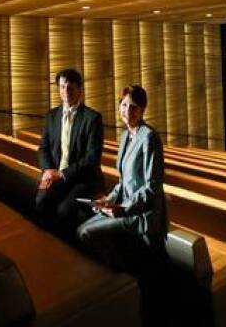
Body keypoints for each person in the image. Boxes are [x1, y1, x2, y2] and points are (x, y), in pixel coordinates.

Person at [76, 85, 167, 274]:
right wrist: (108, 200)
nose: (127, 111)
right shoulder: (125, 135)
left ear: (142, 110)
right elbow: (123, 181)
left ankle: (122, 277)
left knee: (86, 234)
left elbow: (151, 188)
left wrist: (124, 209)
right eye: (124, 105)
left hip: (141, 214)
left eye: (133, 107)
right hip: (123, 207)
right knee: (81, 229)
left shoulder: (149, 137)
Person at [36, 68, 105, 239]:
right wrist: (48, 171)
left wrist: (62, 174)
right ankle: (49, 243)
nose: (65, 92)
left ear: (79, 89)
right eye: (62, 87)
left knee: (64, 211)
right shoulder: (51, 115)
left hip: (82, 178)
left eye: (70, 88)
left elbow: (92, 159)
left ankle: (69, 251)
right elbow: (43, 148)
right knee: (41, 201)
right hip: (57, 175)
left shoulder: (92, 118)